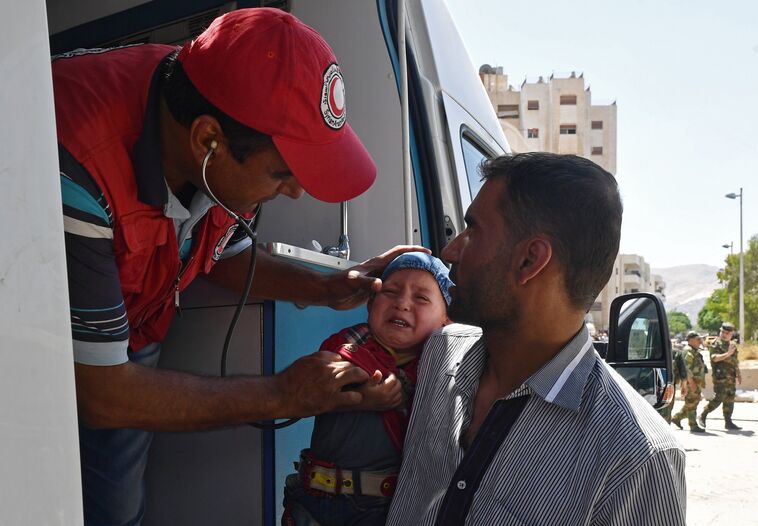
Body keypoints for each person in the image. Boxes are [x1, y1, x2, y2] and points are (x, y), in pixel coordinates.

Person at [54, 8, 422, 525]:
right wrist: (280, 394)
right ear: (208, 141)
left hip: (131, 336)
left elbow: (226, 258)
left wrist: (331, 288)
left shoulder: (220, 124)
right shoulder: (76, 158)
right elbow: (101, 393)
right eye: (282, 174)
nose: (294, 192)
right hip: (44, 354)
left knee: (115, 509)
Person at [386, 153, 686, 525]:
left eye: (473, 230)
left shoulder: (638, 458)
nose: (450, 251)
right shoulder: (440, 353)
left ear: (530, 260)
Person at [282, 252, 453, 525]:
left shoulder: (444, 367)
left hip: (386, 511)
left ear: (447, 320)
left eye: (421, 298)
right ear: (370, 303)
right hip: (314, 504)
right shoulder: (351, 343)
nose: (402, 303)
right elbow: (323, 371)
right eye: (391, 292)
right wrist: (360, 397)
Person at [698, 322, 742, 430]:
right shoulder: (715, 343)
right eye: (723, 332)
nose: (724, 334)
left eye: (727, 333)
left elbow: (735, 361)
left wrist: (739, 373)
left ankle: (728, 421)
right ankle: (703, 414)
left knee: (730, 398)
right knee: (719, 397)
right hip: (720, 377)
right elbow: (714, 358)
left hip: (731, 377)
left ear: (731, 334)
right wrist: (728, 354)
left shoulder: (732, 345)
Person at [672, 332, 706, 432]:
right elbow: (686, 369)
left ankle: (677, 418)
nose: (700, 341)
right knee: (692, 403)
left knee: (693, 402)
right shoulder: (688, 351)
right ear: (690, 340)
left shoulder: (694, 351)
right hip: (691, 382)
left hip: (696, 382)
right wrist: (691, 383)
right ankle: (693, 425)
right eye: (698, 339)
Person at [661, 343, 691, 421]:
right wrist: (684, 386)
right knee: (666, 412)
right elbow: (683, 371)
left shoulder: (648, 351)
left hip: (650, 385)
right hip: (668, 387)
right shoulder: (675, 353)